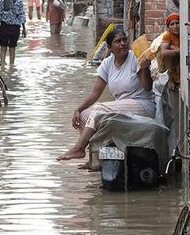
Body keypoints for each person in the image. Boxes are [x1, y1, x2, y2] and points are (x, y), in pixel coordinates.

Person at [57, 30, 154, 161]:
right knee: (84, 115)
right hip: (120, 106)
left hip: (141, 104)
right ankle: (95, 159)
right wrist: (78, 109)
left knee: (98, 110)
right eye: (118, 41)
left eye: (124, 40)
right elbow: (95, 93)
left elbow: (148, 88)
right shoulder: (107, 63)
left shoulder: (135, 57)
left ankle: (79, 148)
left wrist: (144, 69)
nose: (123, 44)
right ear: (110, 48)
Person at [0, 0, 26, 67]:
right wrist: (24, 28)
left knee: (3, 48)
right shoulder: (19, 1)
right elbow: (22, 15)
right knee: (12, 48)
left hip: (4, 26)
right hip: (15, 27)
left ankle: (2, 67)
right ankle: (11, 67)